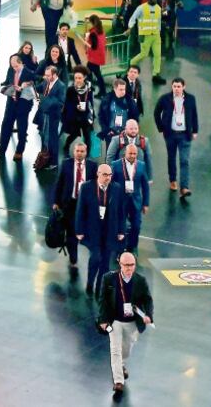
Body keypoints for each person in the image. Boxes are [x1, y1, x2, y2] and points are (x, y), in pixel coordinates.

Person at [97, 252, 154, 397]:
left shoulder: (140, 280)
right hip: (114, 320)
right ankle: (118, 381)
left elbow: (148, 299)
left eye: (132, 265)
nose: (129, 268)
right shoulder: (109, 278)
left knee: (126, 349)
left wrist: (148, 314)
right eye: (126, 265)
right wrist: (103, 319)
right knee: (115, 350)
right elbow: (102, 300)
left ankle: (121, 364)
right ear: (120, 264)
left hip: (132, 322)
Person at [75, 164, 126, 297]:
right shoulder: (86, 187)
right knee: (96, 257)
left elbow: (121, 211)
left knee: (105, 263)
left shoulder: (116, 188)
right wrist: (79, 230)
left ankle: (100, 287)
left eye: (110, 175)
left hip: (110, 231)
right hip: (93, 231)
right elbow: (80, 210)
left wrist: (121, 230)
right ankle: (90, 282)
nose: (108, 178)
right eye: (105, 175)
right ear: (98, 174)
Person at [53, 141, 98, 268]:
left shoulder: (92, 166)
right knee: (71, 232)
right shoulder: (66, 164)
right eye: (77, 151)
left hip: (85, 205)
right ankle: (73, 257)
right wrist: (56, 202)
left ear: (86, 152)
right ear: (74, 152)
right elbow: (59, 183)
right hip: (69, 204)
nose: (79, 154)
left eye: (82, 151)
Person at [153, 78, 198, 198]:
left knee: (185, 160)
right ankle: (172, 180)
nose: (176, 89)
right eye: (174, 86)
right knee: (171, 157)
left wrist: (195, 130)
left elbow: (194, 114)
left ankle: (184, 187)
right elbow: (156, 112)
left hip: (185, 134)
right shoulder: (165, 98)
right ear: (172, 87)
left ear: (184, 87)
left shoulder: (191, 99)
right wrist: (161, 128)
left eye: (179, 86)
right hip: (170, 134)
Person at [0, 55, 36, 161]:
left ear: (21, 63)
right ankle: (2, 148)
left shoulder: (29, 73)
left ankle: (19, 151)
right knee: (5, 125)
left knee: (22, 128)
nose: (14, 68)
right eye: (12, 66)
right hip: (11, 103)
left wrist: (26, 85)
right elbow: (8, 81)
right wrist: (2, 87)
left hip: (23, 105)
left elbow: (35, 86)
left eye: (16, 66)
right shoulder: (11, 70)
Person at [110, 144, 149, 254]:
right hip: (120, 201)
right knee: (120, 226)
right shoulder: (116, 165)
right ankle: (119, 248)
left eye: (134, 153)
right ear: (125, 153)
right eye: (130, 153)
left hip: (135, 201)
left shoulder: (141, 165)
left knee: (136, 225)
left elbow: (145, 186)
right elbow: (111, 184)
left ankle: (133, 247)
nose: (132, 155)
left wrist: (146, 203)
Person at [126, 0, 166, 84]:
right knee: (144, 54)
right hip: (144, 35)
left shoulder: (158, 8)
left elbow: (159, 20)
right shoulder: (141, 8)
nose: (155, 0)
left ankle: (156, 75)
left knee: (157, 55)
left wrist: (159, 31)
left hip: (156, 35)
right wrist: (130, 28)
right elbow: (133, 18)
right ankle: (132, 63)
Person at [105, 119, 153, 186]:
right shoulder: (116, 140)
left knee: (137, 195)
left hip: (137, 175)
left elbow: (149, 160)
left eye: (136, 128)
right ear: (125, 129)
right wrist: (109, 175)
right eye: (131, 129)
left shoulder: (144, 141)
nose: (134, 131)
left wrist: (149, 178)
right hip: (121, 175)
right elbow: (110, 158)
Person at [35, 65, 65, 170]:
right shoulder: (46, 81)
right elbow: (39, 88)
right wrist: (30, 86)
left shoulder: (61, 86)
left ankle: (53, 162)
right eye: (45, 75)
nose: (46, 77)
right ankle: (45, 158)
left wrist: (44, 99)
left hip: (53, 116)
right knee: (44, 136)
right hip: (44, 114)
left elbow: (60, 102)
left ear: (55, 74)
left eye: (48, 75)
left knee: (52, 138)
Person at [80, 14, 107, 93]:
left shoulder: (93, 33)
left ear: (92, 22)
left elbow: (93, 47)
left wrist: (85, 42)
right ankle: (97, 89)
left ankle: (91, 89)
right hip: (99, 56)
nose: (89, 24)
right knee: (94, 74)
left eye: (89, 23)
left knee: (90, 73)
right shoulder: (100, 30)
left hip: (94, 58)